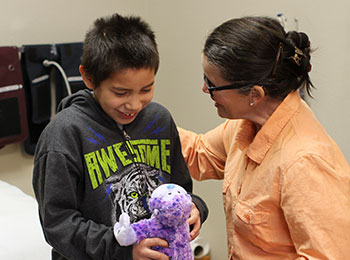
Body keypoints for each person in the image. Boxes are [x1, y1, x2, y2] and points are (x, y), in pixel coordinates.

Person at [32, 13, 208, 260]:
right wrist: (122, 249)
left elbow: (179, 189)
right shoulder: (64, 134)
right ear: (89, 77)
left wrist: (196, 207)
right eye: (121, 92)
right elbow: (58, 224)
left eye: (146, 89)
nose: (135, 104)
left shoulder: (159, 120)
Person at [179, 16, 350, 260]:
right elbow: (198, 153)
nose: (205, 89)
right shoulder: (246, 125)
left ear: (254, 94)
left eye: (212, 83)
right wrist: (145, 119)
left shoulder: (305, 162)